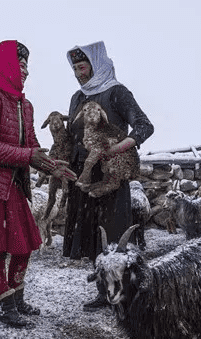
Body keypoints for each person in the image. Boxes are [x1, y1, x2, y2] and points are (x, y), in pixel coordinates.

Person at [0, 40, 75, 328]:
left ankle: (17, 296)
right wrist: (28, 155)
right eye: (21, 66)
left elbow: (32, 145)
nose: (25, 73)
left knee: (23, 245)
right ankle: (5, 304)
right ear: (7, 65)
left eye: (27, 68)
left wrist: (52, 165)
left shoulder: (25, 105)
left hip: (13, 184)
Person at [62, 41, 154, 311]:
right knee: (92, 233)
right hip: (84, 173)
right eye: (76, 68)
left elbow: (144, 126)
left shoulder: (117, 93)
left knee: (113, 232)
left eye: (83, 66)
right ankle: (105, 291)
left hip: (112, 173)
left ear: (96, 64)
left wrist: (117, 148)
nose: (79, 73)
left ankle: (126, 291)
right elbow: (72, 136)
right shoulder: (77, 98)